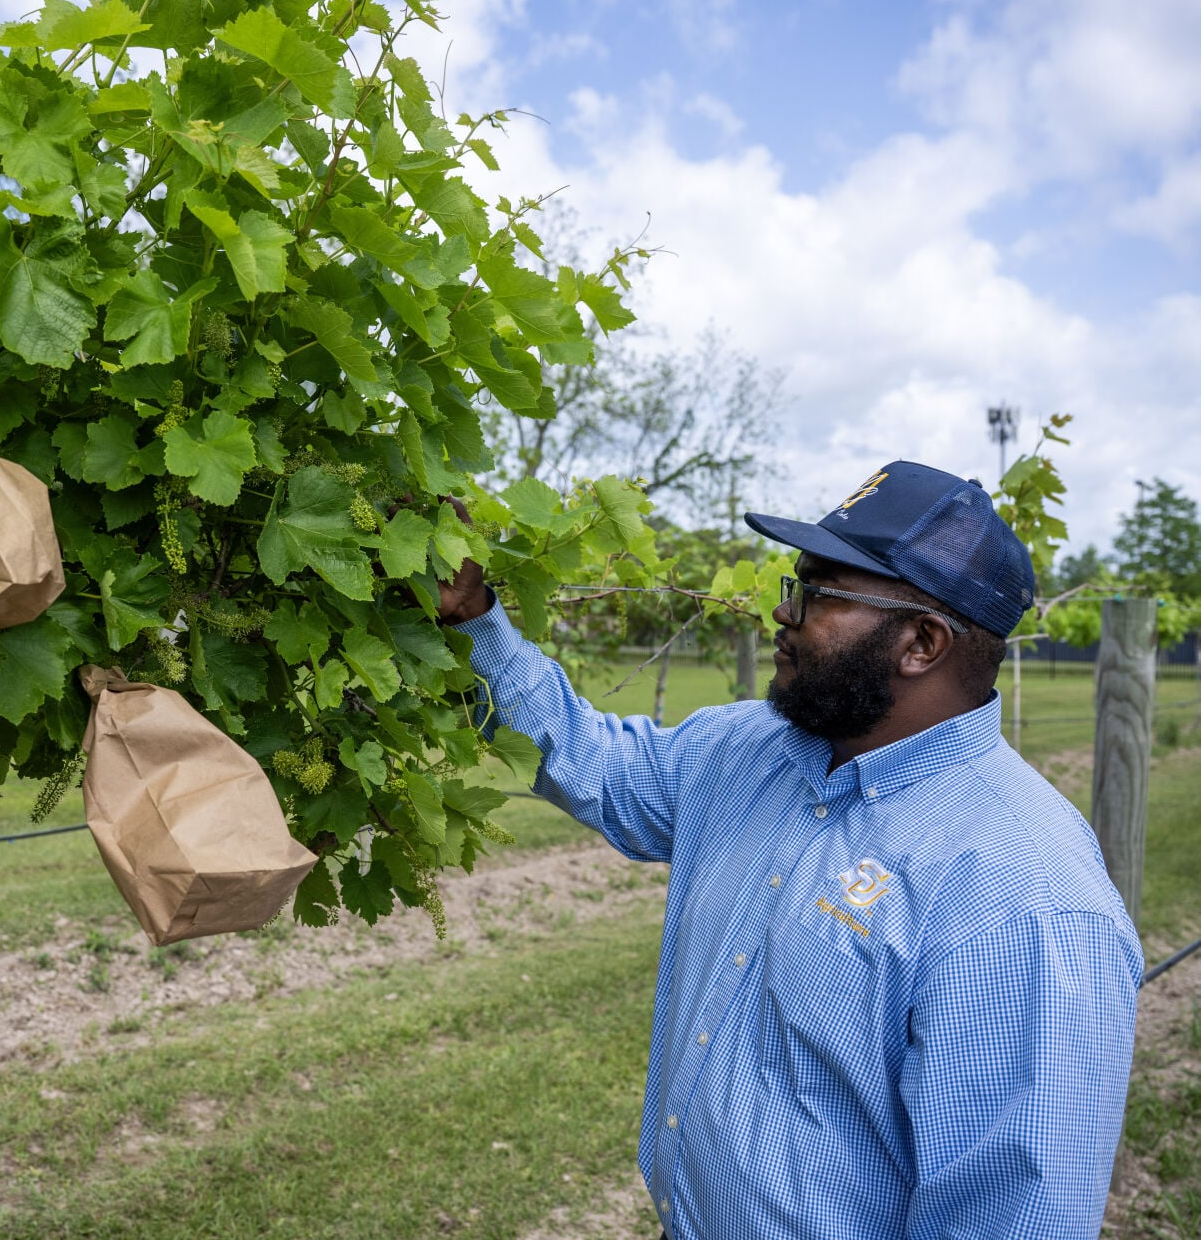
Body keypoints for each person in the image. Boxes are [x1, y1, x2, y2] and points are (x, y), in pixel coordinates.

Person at [438, 461, 1142, 1240]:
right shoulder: (750, 750)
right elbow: (599, 764)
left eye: (818, 593)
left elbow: (1010, 1220)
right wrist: (475, 620)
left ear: (921, 642)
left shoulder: (1022, 896)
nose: (783, 612)